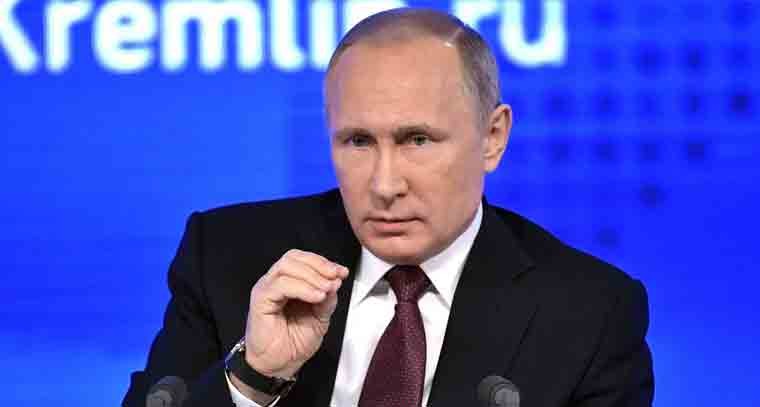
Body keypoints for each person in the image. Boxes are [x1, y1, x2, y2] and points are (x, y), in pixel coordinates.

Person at [123, 8, 653, 407]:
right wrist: (254, 377)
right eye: (357, 141)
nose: (383, 184)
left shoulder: (589, 313)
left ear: (493, 137)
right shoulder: (228, 259)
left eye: (417, 140)